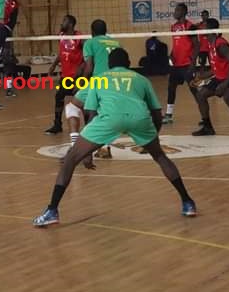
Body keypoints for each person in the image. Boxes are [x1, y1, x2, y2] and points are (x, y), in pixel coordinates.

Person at [32, 48, 198, 227]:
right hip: (139, 118)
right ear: (128, 64)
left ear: (109, 65)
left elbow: (92, 113)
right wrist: (152, 136)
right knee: (160, 157)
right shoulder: (141, 79)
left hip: (110, 119)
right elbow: (157, 113)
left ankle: (52, 210)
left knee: (70, 159)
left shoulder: (99, 79)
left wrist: (88, 152)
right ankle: (187, 202)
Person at [66, 19, 121, 159]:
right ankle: (104, 148)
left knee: (72, 107)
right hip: (116, 81)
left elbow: (89, 66)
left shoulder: (90, 43)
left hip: (99, 81)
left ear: (92, 31)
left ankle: (74, 148)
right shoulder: (115, 42)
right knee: (103, 114)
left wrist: (81, 82)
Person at [45, 15, 83, 135]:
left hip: (77, 76)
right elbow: (62, 53)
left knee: (83, 101)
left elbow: (86, 55)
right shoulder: (61, 35)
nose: (62, 23)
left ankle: (88, 126)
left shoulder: (79, 37)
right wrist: (54, 65)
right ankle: (57, 124)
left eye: (64, 21)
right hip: (65, 75)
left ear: (71, 24)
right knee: (59, 97)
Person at [163, 3, 199, 124]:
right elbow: (177, 44)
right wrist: (171, 54)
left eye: (177, 10)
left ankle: (205, 117)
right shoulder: (174, 27)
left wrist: (193, 64)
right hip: (176, 65)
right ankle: (168, 115)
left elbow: (197, 46)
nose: (174, 12)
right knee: (171, 88)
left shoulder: (190, 26)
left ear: (183, 12)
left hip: (187, 64)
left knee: (194, 90)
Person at [1, 0, 20, 97]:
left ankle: (9, 87)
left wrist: (7, 29)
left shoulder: (15, 4)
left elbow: (12, 21)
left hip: (6, 31)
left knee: (8, 60)